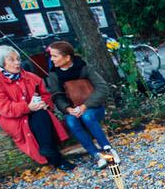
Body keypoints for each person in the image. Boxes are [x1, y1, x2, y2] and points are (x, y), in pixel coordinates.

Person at [0, 45, 74, 171]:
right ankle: (57, 158)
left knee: (42, 114)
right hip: (14, 118)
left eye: (18, 59)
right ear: (2, 63)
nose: (17, 63)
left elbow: (45, 95)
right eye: (11, 60)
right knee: (38, 119)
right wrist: (27, 107)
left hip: (36, 114)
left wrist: (45, 103)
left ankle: (48, 150)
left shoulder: (31, 77)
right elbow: (3, 107)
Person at [45, 41, 115, 169]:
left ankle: (109, 151)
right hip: (73, 109)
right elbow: (57, 96)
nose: (52, 59)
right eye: (51, 56)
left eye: (55, 56)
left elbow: (102, 88)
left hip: (93, 107)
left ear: (67, 57)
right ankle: (96, 154)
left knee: (87, 116)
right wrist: (67, 108)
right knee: (71, 122)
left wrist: (85, 106)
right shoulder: (54, 74)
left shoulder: (84, 67)